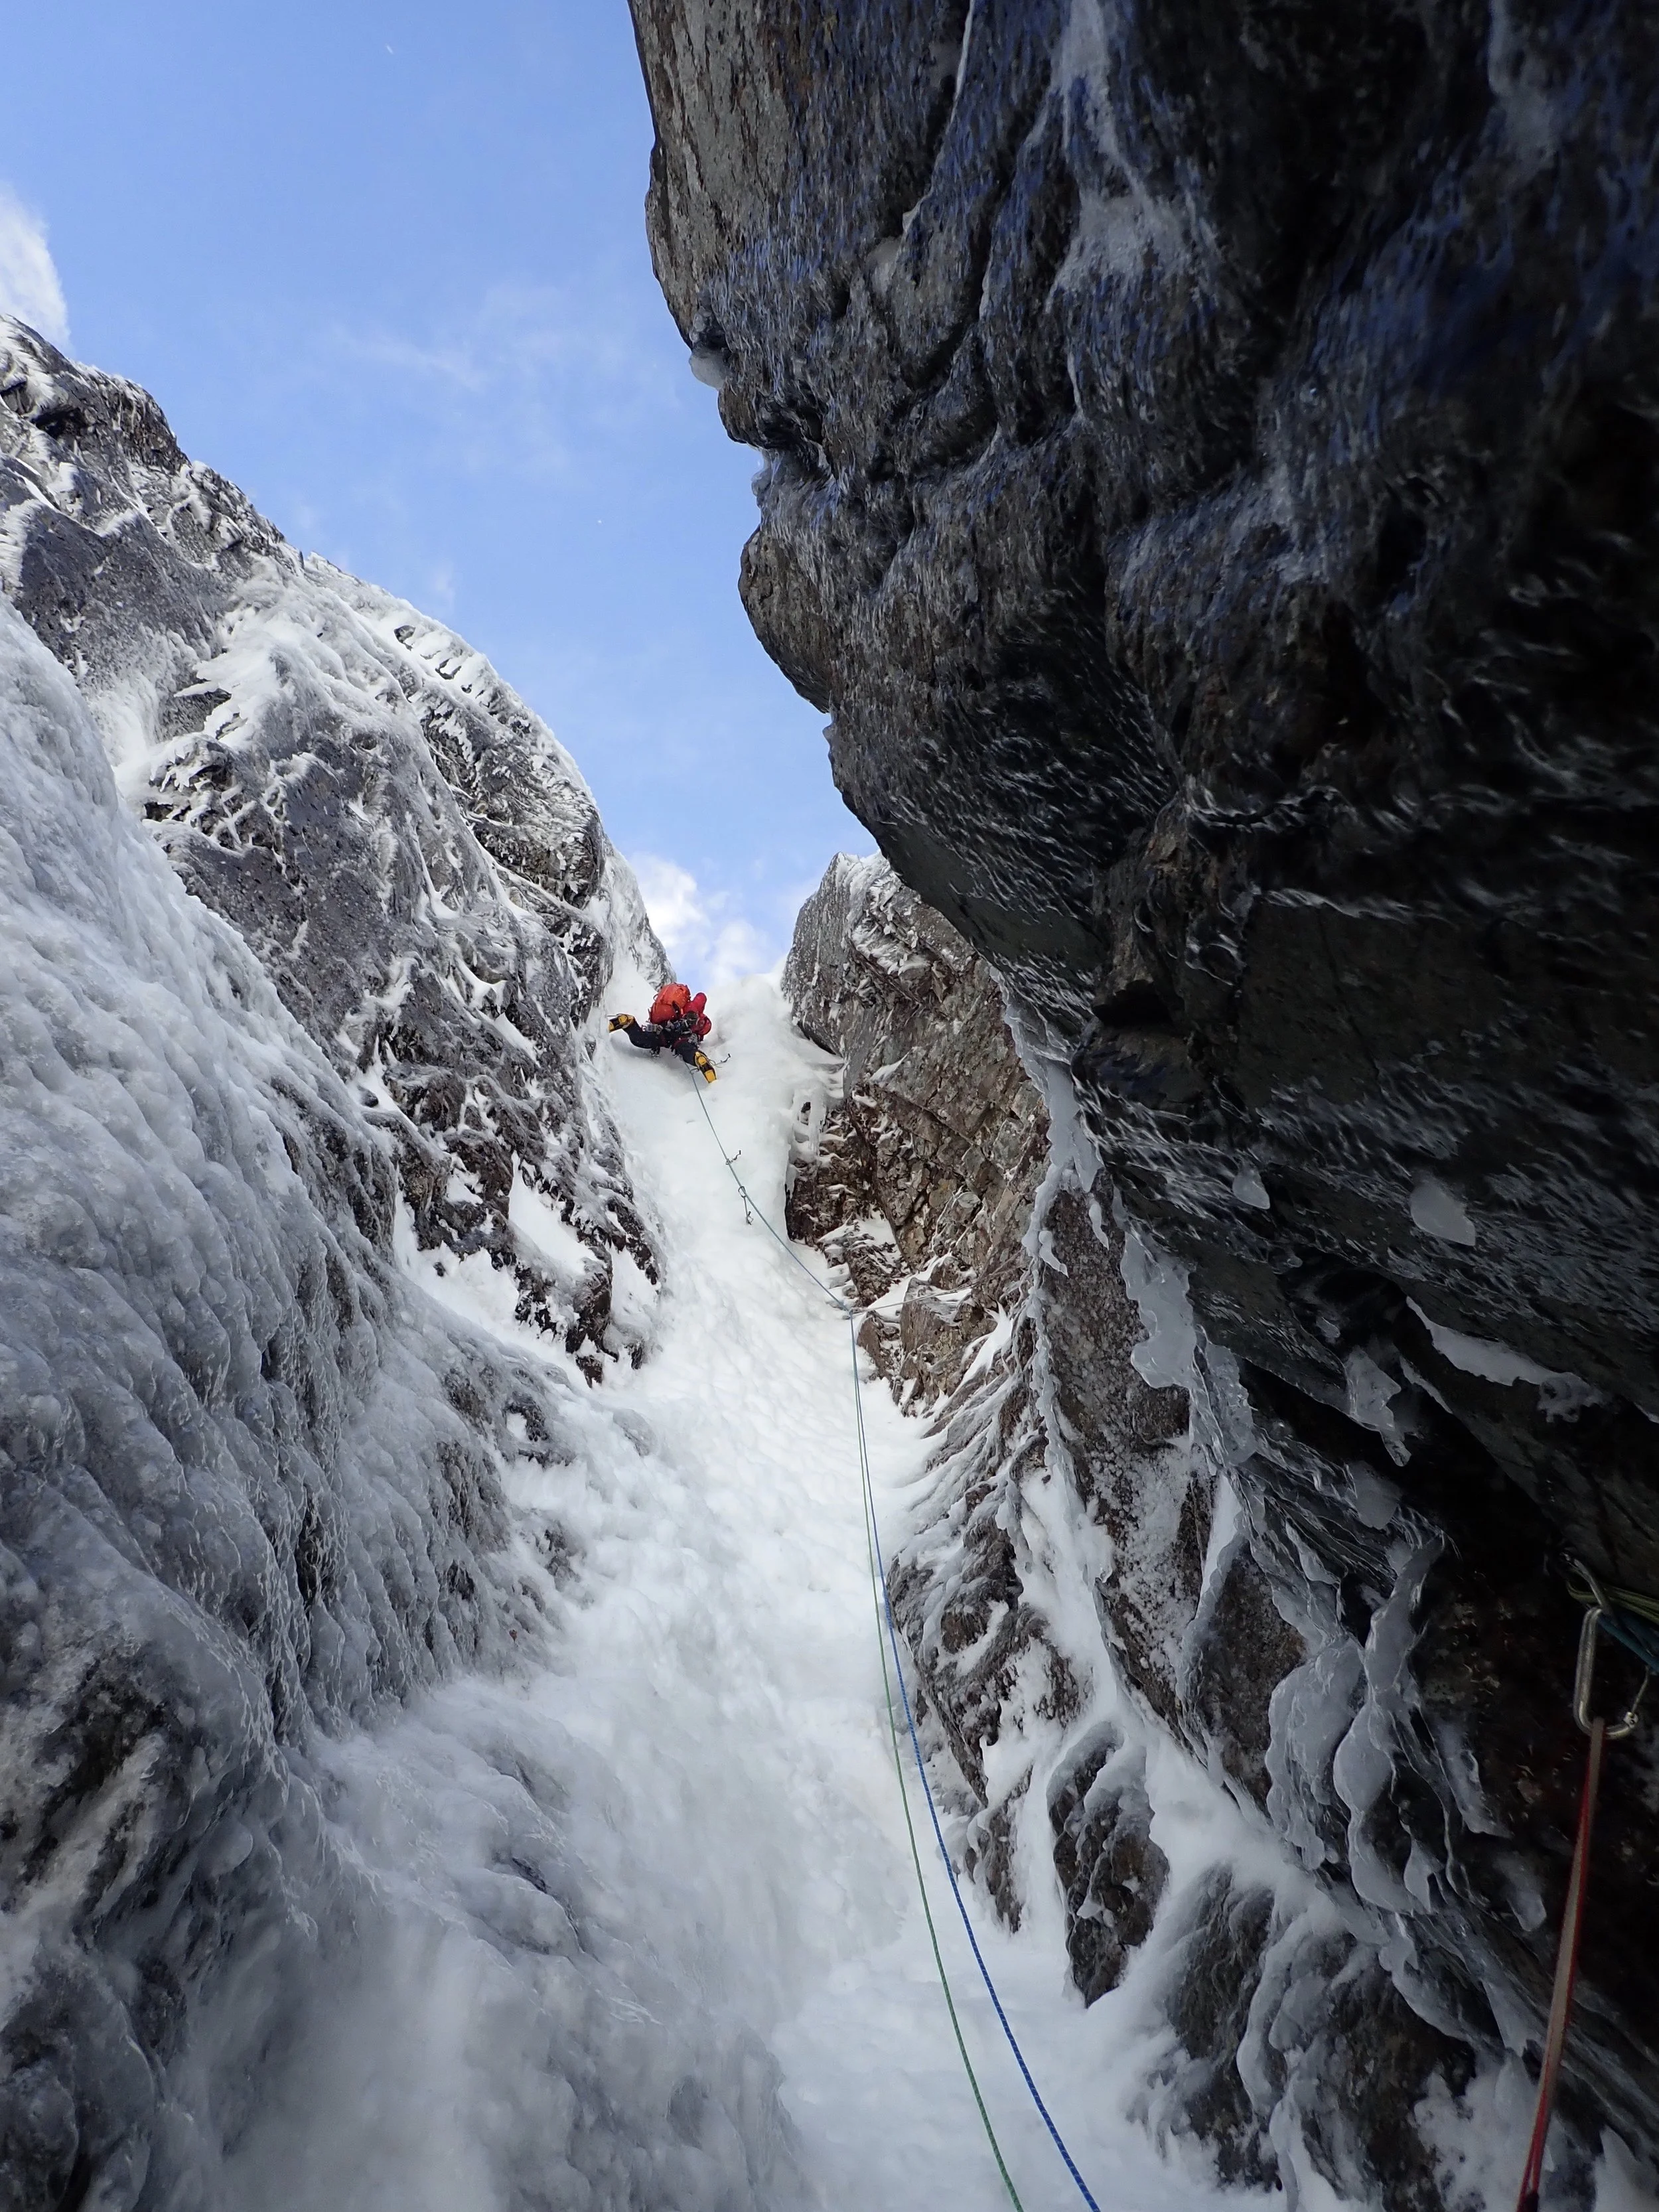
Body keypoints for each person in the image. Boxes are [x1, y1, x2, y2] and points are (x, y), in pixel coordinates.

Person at [609, 982, 717, 1080]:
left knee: (642, 1039)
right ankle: (698, 1058)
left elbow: (701, 996)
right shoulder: (694, 1017)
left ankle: (630, 1024)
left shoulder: (691, 1007)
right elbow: (701, 997)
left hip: (664, 1027)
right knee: (686, 1049)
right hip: (676, 1036)